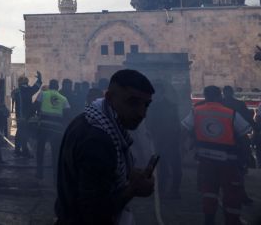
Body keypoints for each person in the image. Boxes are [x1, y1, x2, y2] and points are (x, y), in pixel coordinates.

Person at [55, 69, 155, 225]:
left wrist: (128, 174)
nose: (142, 113)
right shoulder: (97, 140)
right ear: (109, 98)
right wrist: (133, 189)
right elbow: (93, 212)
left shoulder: (88, 119)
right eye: (133, 102)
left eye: (146, 105)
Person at [181, 85, 252, 225]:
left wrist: (184, 148)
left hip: (206, 159)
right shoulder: (230, 113)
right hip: (229, 161)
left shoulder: (196, 111)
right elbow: (244, 136)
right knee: (231, 194)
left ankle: (209, 221)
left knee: (209, 192)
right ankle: (232, 221)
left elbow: (184, 130)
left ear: (205, 96)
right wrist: (245, 158)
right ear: (220, 96)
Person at [146, 82, 182, 199]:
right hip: (159, 140)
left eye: (157, 92)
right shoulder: (152, 106)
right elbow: (149, 122)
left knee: (174, 166)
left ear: (162, 92)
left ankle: (174, 191)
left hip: (171, 140)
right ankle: (162, 190)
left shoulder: (170, 106)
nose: (155, 95)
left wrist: (175, 138)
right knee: (163, 166)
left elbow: (175, 124)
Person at [35, 79, 70, 183]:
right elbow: (67, 114)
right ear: (58, 87)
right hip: (56, 128)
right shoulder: (63, 99)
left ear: (50, 86)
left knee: (40, 149)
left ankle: (39, 172)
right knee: (55, 151)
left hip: (44, 126)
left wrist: (37, 115)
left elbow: (36, 105)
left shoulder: (43, 94)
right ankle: (55, 174)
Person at [12, 72, 42, 157]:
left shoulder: (16, 91)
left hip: (19, 116)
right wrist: (39, 79)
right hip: (26, 116)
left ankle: (18, 150)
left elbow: (13, 96)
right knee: (24, 133)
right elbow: (36, 87)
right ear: (26, 82)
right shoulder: (28, 90)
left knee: (19, 132)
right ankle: (24, 151)